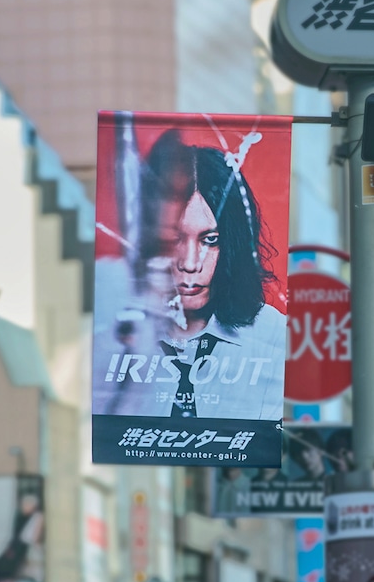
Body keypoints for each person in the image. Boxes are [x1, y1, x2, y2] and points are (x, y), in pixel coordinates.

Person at [96, 123, 286, 421]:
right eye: (174, 239)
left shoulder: (273, 335)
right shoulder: (112, 333)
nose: (189, 262)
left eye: (210, 240)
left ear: (232, 244)